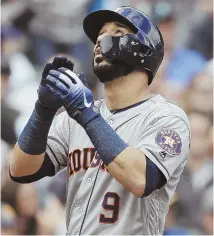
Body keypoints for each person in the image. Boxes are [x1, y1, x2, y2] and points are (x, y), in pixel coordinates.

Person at [10, 6, 191, 235]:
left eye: (117, 32)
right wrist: (42, 110)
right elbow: (20, 170)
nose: (102, 40)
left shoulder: (167, 117)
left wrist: (85, 113)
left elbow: (141, 178)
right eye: (100, 34)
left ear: (144, 50)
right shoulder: (75, 116)